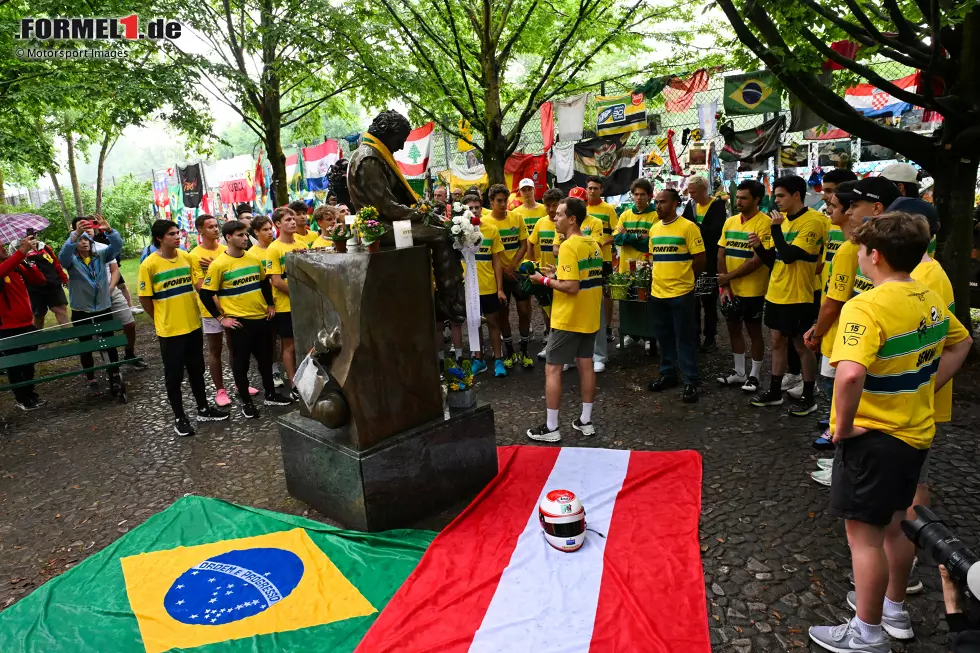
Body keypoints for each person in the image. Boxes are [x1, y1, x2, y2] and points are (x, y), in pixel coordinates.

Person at [808, 213, 972, 653]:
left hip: (875, 436)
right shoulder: (928, 293)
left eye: (860, 250)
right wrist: (926, 386)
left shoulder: (867, 305)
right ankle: (892, 608)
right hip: (915, 432)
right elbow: (962, 342)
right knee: (899, 524)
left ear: (873, 255)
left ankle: (867, 632)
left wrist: (841, 428)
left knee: (864, 539)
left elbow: (847, 376)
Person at [138, 220, 229, 436]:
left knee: (197, 370)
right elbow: (145, 299)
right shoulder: (149, 265)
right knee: (174, 376)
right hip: (170, 331)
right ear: (160, 238)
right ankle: (179, 417)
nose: (177, 237)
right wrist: (160, 318)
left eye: (178, 232)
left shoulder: (186, 258)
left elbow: (199, 285)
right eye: (172, 234)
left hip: (193, 326)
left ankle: (203, 408)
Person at [526, 197, 603, 442]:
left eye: (559, 214)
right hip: (589, 315)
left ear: (572, 219)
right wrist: (556, 273)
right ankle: (586, 421)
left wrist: (544, 280)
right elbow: (582, 278)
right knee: (586, 365)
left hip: (568, 318)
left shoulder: (568, 246)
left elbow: (571, 287)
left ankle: (551, 428)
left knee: (552, 369)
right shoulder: (592, 243)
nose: (554, 217)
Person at [200, 220, 293, 418]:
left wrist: (270, 304)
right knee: (240, 364)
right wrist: (221, 318)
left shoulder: (252, 259)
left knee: (266, 360)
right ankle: (247, 402)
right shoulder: (218, 265)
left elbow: (264, 283)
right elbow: (205, 294)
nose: (245, 239)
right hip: (239, 323)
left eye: (245, 235)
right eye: (240, 235)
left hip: (260, 319)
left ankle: (270, 394)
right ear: (228, 238)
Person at [748, 175, 824, 416]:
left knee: (802, 346)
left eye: (781, 195)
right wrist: (759, 246)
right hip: (776, 292)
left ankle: (809, 395)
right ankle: (774, 391)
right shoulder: (781, 222)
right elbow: (775, 260)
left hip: (799, 294)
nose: (776, 201)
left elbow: (791, 256)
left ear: (796, 195)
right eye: (776, 196)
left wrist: (776, 230)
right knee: (777, 342)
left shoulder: (813, 221)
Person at [803, 180, 860, 455]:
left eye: (833, 205)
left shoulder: (850, 250)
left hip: (839, 333)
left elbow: (835, 301)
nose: (827, 208)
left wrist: (817, 331)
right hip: (836, 329)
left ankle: (841, 446)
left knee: (835, 389)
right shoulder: (845, 245)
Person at [646, 189, 705, 403]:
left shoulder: (689, 228)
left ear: (674, 204)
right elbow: (654, 259)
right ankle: (668, 374)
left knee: (685, 338)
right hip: (658, 293)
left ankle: (691, 380)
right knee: (664, 337)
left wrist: (687, 279)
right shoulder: (654, 229)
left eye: (662, 202)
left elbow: (700, 259)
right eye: (657, 202)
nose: (658, 206)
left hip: (682, 293)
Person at [716, 179, 772, 393]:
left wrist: (727, 276)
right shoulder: (730, 222)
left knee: (754, 331)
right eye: (737, 197)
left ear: (757, 199)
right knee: (733, 328)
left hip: (753, 289)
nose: (738, 201)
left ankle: (754, 375)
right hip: (731, 288)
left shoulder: (764, 223)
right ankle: (739, 372)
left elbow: (757, 260)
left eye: (743, 198)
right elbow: (722, 251)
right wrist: (726, 283)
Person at [59, 215, 123, 397]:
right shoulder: (70, 260)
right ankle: (91, 378)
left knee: (110, 342)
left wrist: (110, 231)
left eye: (87, 238)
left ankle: (114, 374)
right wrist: (74, 236)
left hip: (103, 306)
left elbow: (117, 247)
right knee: (85, 345)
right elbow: (62, 257)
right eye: (80, 239)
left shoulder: (101, 254)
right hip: (81, 310)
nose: (84, 242)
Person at [485, 183, 533, 369]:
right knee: (502, 314)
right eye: (499, 201)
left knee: (523, 311)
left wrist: (512, 266)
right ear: (491, 202)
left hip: (517, 272)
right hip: (499, 275)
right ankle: (509, 352)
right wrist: (503, 270)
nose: (503, 204)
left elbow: (524, 244)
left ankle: (524, 350)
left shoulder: (517, 217)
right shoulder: (486, 222)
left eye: (505, 200)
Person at [89, 217, 146, 370]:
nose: (88, 229)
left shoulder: (102, 247)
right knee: (102, 332)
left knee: (129, 323)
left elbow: (115, 269)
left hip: (111, 291)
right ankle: (110, 364)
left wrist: (111, 288)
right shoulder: (73, 251)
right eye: (82, 226)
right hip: (91, 298)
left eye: (90, 226)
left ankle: (130, 354)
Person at [0, 234, 47, 410]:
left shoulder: (15, 266)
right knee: (15, 365)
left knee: (29, 363)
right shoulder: (4, 268)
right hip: (7, 328)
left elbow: (40, 280)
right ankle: (22, 398)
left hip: (27, 324)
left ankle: (31, 394)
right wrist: (20, 252)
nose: (4, 247)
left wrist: (26, 261)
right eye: (0, 246)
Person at [463, 193, 507, 377]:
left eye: (477, 207)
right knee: (474, 324)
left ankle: (498, 360)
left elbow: (496, 261)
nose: (474, 211)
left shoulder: (491, 229)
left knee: (493, 323)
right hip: (469, 287)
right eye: (470, 208)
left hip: (488, 285)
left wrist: (500, 288)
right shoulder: (459, 231)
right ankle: (479, 359)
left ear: (482, 208)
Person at [682, 175, 727, 353]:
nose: (690, 195)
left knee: (708, 299)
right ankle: (694, 335)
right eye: (689, 191)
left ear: (703, 190)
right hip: (693, 259)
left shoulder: (716, 205)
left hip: (709, 260)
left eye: (693, 192)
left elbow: (716, 231)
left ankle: (710, 337)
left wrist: (695, 227)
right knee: (693, 300)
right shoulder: (690, 205)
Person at [267, 207, 306, 399]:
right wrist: (298, 294)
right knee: (289, 345)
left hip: (306, 303)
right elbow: (276, 281)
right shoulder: (274, 249)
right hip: (286, 306)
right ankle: (294, 383)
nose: (293, 222)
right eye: (288, 219)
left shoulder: (302, 243)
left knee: (307, 343)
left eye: (293, 218)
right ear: (277, 224)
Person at [585, 176, 619, 345]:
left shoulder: (608, 209)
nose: (592, 191)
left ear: (601, 190)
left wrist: (605, 241)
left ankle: (607, 327)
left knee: (606, 293)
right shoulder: (580, 207)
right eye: (590, 188)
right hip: (585, 260)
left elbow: (617, 232)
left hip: (604, 258)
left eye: (595, 188)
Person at [528, 189, 561, 361]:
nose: (551, 209)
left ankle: (560, 346)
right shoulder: (540, 223)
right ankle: (550, 340)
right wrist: (533, 264)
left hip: (562, 275)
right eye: (548, 205)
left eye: (555, 205)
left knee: (560, 311)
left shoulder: (564, 223)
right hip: (544, 275)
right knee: (546, 309)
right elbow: (531, 243)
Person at [24, 236, 70, 329]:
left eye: (34, 234)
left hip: (53, 284)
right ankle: (38, 339)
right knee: (38, 314)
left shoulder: (45, 247)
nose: (33, 237)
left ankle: (68, 335)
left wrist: (64, 278)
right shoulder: (17, 248)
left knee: (60, 309)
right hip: (34, 288)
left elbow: (56, 264)